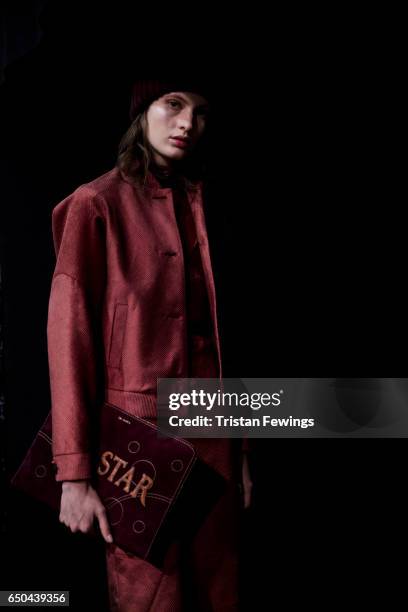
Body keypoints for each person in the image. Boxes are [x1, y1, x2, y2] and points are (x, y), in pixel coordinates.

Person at [47, 78, 252, 611]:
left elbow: (231, 344)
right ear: (143, 111)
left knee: (222, 594)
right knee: (150, 599)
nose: (188, 122)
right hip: (136, 442)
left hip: (216, 435)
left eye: (201, 111)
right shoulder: (95, 205)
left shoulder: (212, 207)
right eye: (174, 104)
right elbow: (69, 344)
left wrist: (243, 453)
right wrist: (73, 474)